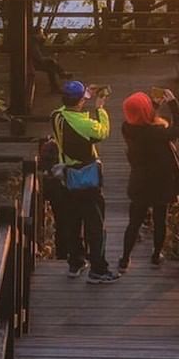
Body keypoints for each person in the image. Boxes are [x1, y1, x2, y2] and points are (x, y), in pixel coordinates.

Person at [52, 80, 118, 283]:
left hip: (69, 178)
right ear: (80, 101)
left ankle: (76, 262)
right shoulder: (84, 124)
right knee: (95, 225)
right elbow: (102, 131)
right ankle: (98, 269)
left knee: (73, 222)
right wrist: (100, 108)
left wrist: (85, 94)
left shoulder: (56, 117)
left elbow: (68, 111)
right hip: (88, 179)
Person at [118, 88, 179, 272]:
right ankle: (156, 255)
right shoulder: (157, 133)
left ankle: (125, 259)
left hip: (139, 182)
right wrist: (172, 103)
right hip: (161, 183)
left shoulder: (127, 129)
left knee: (134, 223)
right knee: (159, 220)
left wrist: (155, 104)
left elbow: (141, 117)